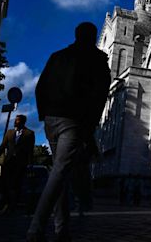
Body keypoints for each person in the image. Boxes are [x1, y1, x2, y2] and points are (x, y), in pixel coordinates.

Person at [27, 22, 111, 242]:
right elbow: (100, 96)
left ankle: (61, 228)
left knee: (59, 171)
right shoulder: (98, 59)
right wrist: (91, 126)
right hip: (73, 121)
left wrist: (44, 115)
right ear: (94, 37)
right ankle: (36, 229)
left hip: (52, 120)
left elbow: (40, 87)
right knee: (59, 172)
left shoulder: (58, 55)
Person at [0, 114, 35, 213]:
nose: (15, 121)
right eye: (15, 120)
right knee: (3, 182)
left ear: (22, 122)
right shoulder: (9, 132)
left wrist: (30, 163)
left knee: (16, 184)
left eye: (17, 120)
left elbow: (30, 150)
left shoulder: (29, 133)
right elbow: (3, 146)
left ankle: (12, 206)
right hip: (8, 162)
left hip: (20, 163)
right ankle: (5, 200)